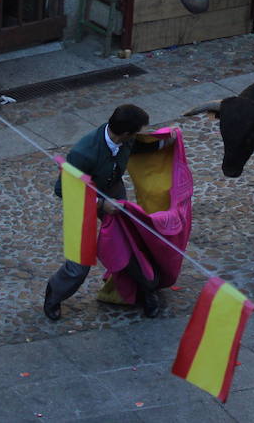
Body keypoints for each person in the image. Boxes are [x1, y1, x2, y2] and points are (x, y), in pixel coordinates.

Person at [43, 104, 166, 321]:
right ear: (126, 133)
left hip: (112, 190)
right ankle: (54, 295)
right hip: (81, 202)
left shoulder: (125, 138)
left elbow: (138, 147)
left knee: (130, 242)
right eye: (136, 132)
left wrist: (167, 141)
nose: (138, 136)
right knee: (79, 263)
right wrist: (100, 204)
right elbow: (61, 190)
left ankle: (146, 290)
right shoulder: (82, 153)